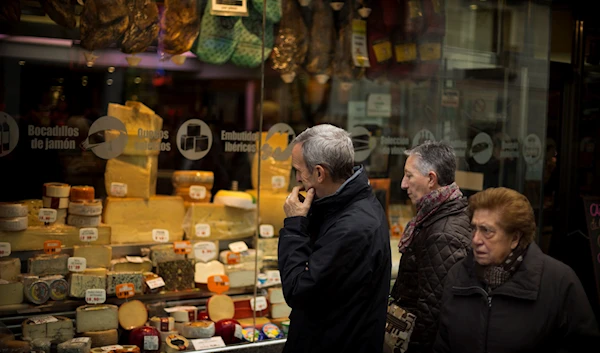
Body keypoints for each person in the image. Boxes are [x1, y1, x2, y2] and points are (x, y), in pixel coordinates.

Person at [433, 187, 600, 353]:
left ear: (515, 238)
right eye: (474, 228)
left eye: (487, 231)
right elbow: (443, 344)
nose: (476, 240)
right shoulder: (457, 276)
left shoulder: (559, 282)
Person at [278, 124, 391, 353]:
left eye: (299, 171)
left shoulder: (353, 227)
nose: (298, 179)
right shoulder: (347, 204)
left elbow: (299, 290)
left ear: (320, 173)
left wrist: (294, 226)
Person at [389, 141, 471, 353]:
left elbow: (432, 313)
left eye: (409, 176)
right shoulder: (435, 215)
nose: (403, 184)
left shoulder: (442, 233)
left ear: (431, 179)